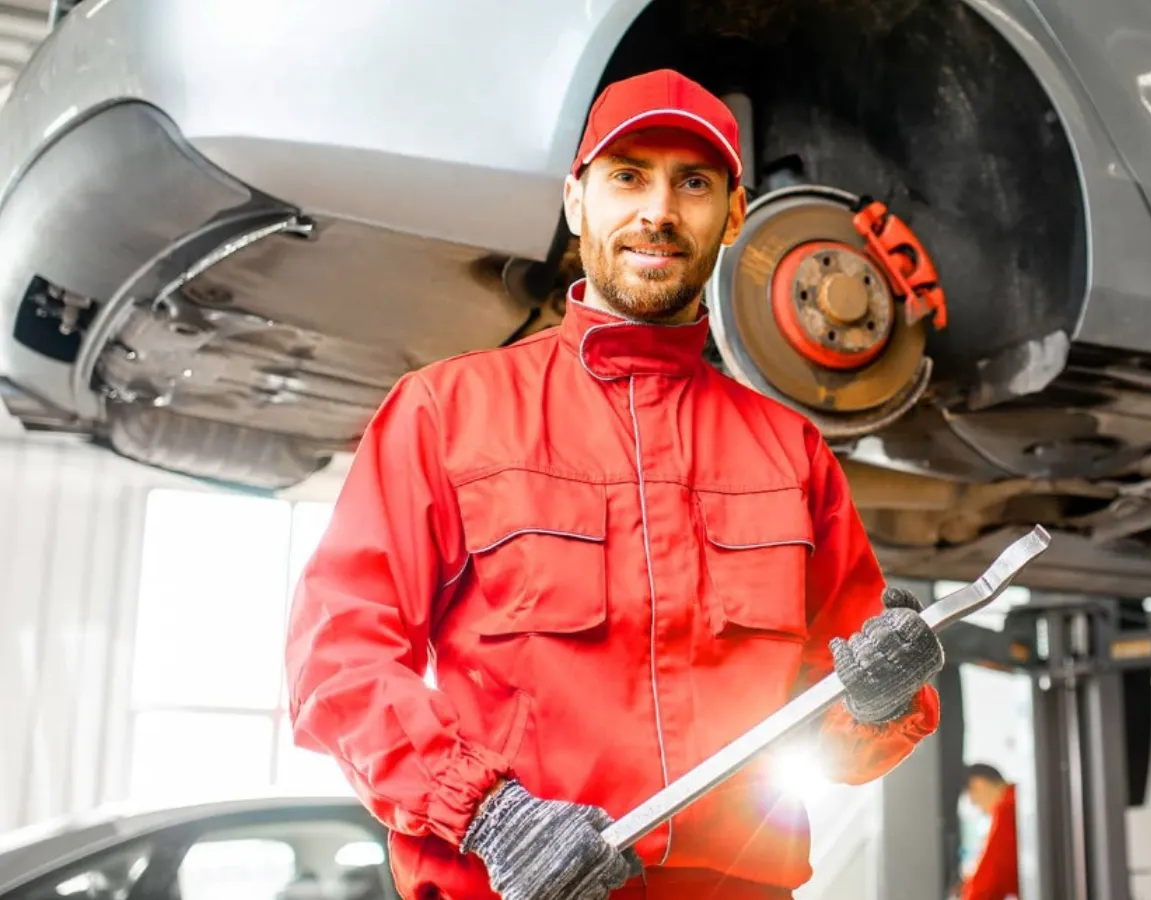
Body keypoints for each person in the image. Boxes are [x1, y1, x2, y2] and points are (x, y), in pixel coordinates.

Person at [282, 67, 945, 900]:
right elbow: (335, 659)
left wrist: (882, 701)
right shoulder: (446, 415)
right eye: (627, 176)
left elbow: (834, 728)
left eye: (693, 183)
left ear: (735, 213)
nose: (658, 212)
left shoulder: (791, 453)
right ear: (575, 200)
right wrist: (488, 815)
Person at [960, 763, 1019, 900]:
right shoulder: (1023, 798)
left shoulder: (1007, 809)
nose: (981, 810)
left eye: (975, 802)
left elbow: (987, 883)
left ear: (978, 784)